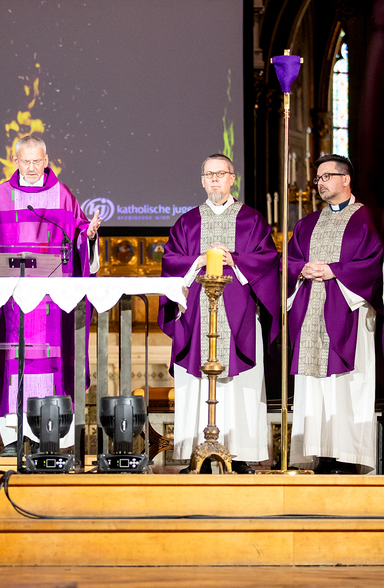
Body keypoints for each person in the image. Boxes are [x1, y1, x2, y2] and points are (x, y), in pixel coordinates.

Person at [0, 134, 101, 454]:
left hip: (51, 307)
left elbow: (78, 234)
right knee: (14, 363)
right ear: (15, 161)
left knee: (50, 364)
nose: (31, 168)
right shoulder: (0, 195)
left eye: (37, 161)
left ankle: (51, 436)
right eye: (25, 161)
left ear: (46, 161)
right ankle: (14, 437)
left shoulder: (63, 195)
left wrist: (87, 236)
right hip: (12, 305)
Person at [159, 153, 280, 473]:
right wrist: (195, 262)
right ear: (202, 181)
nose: (214, 179)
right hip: (196, 317)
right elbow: (170, 261)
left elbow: (268, 260)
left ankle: (239, 455)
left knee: (240, 387)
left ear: (232, 179)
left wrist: (236, 260)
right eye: (209, 174)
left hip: (239, 316)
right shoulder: (187, 222)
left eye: (221, 173)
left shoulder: (251, 220)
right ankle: (196, 455)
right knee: (195, 385)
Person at [287, 155, 383, 474]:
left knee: (347, 385)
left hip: (349, 313)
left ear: (346, 179)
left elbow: (373, 263)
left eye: (326, 176)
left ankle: (347, 457)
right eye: (317, 178)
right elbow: (288, 262)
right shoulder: (307, 224)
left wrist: (335, 271)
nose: (320, 183)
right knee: (314, 387)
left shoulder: (367, 219)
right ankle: (321, 455)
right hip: (310, 313)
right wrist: (301, 269)